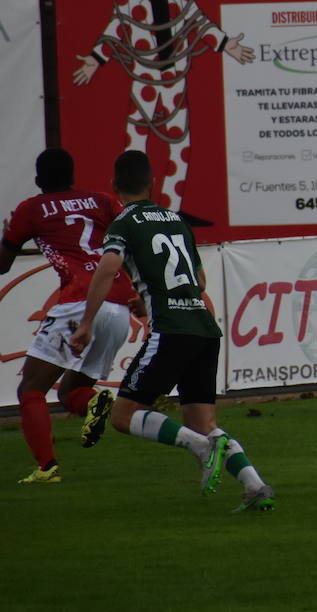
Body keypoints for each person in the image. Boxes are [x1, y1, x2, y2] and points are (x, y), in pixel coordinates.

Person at [70, 150, 275, 511]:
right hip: (203, 328)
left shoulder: (124, 224)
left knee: (123, 415)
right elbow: (198, 279)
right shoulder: (177, 221)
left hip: (171, 330)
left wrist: (87, 322)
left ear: (114, 185)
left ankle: (199, 448)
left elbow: (106, 269)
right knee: (202, 420)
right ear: (152, 184)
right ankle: (255, 486)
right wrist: (148, 300)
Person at [72, 0, 254, 218]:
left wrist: (227, 44)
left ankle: (170, 213)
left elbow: (195, 18)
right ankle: (130, 214)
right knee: (134, 149)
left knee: (179, 148)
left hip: (174, 77)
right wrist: (95, 59)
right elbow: (118, 27)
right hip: (145, 78)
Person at [2, 148, 136, 484]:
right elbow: (129, 242)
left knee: (31, 389)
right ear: (73, 176)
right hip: (119, 307)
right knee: (70, 393)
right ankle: (96, 400)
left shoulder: (31, 209)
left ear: (38, 179)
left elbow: (3, 264)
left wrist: (8, 234)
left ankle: (47, 468)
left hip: (80, 303)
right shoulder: (103, 201)